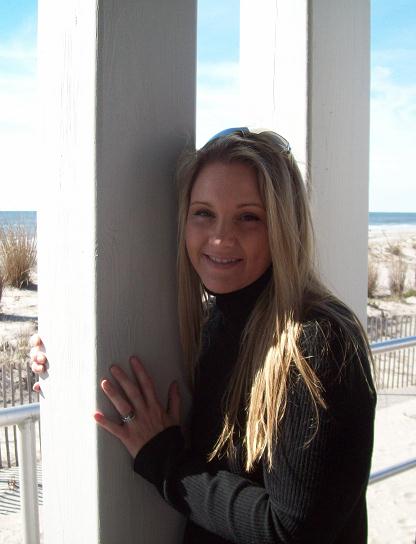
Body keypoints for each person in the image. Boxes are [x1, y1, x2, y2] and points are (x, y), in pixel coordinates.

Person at [31, 127, 376, 543]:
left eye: (249, 217)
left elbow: (292, 530)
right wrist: (63, 357)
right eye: (203, 213)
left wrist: (164, 460)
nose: (220, 238)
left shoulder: (314, 343)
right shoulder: (214, 325)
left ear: (285, 226)